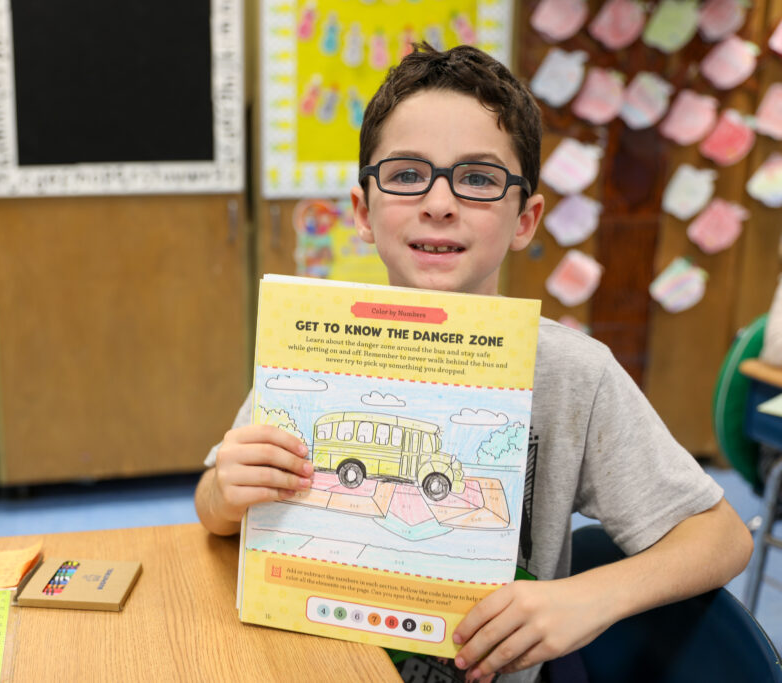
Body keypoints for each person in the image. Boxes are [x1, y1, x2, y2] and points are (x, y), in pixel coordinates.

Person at [194, 44, 752, 683]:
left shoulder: (574, 373)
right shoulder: (314, 344)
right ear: (361, 212)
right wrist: (225, 490)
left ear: (526, 218)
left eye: (479, 179)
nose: (438, 202)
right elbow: (213, 507)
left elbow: (723, 537)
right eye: (406, 175)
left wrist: (591, 596)